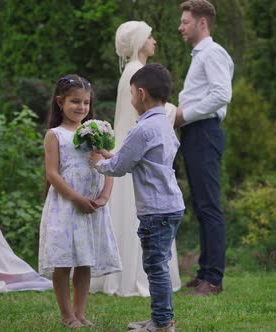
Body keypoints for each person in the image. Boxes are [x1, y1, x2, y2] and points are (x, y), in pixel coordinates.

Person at [90, 64, 184, 332]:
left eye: (131, 93)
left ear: (141, 94)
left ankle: (163, 323)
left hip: (156, 210)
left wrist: (98, 163)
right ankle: (159, 318)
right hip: (170, 206)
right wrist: (112, 157)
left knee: (155, 267)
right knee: (158, 264)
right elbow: (133, 159)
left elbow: (120, 167)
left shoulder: (142, 129)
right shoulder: (163, 124)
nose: (131, 99)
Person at [38, 75, 122, 329]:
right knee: (63, 262)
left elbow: (107, 166)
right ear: (60, 102)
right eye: (75, 101)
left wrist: (104, 196)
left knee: (85, 260)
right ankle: (67, 315)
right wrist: (76, 198)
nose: (81, 107)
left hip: (91, 207)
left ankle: (80, 312)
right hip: (66, 205)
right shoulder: (55, 135)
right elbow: (52, 173)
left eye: (86, 102)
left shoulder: (92, 133)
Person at [174, 0, 234, 296]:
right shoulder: (200, 56)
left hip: (204, 132)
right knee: (201, 205)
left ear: (202, 23)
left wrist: (184, 114)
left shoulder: (212, 53)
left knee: (209, 206)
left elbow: (222, 94)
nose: (180, 27)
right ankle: (204, 273)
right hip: (197, 133)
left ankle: (214, 279)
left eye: (185, 21)